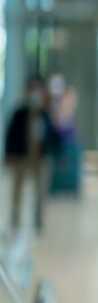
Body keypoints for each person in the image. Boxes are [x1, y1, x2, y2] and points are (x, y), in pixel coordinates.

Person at [4, 78, 57, 232]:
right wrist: (9, 154)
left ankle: (38, 219)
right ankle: (15, 216)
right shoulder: (19, 113)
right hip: (21, 157)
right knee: (17, 189)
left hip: (40, 159)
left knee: (40, 191)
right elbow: (11, 135)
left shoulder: (44, 115)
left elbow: (51, 136)